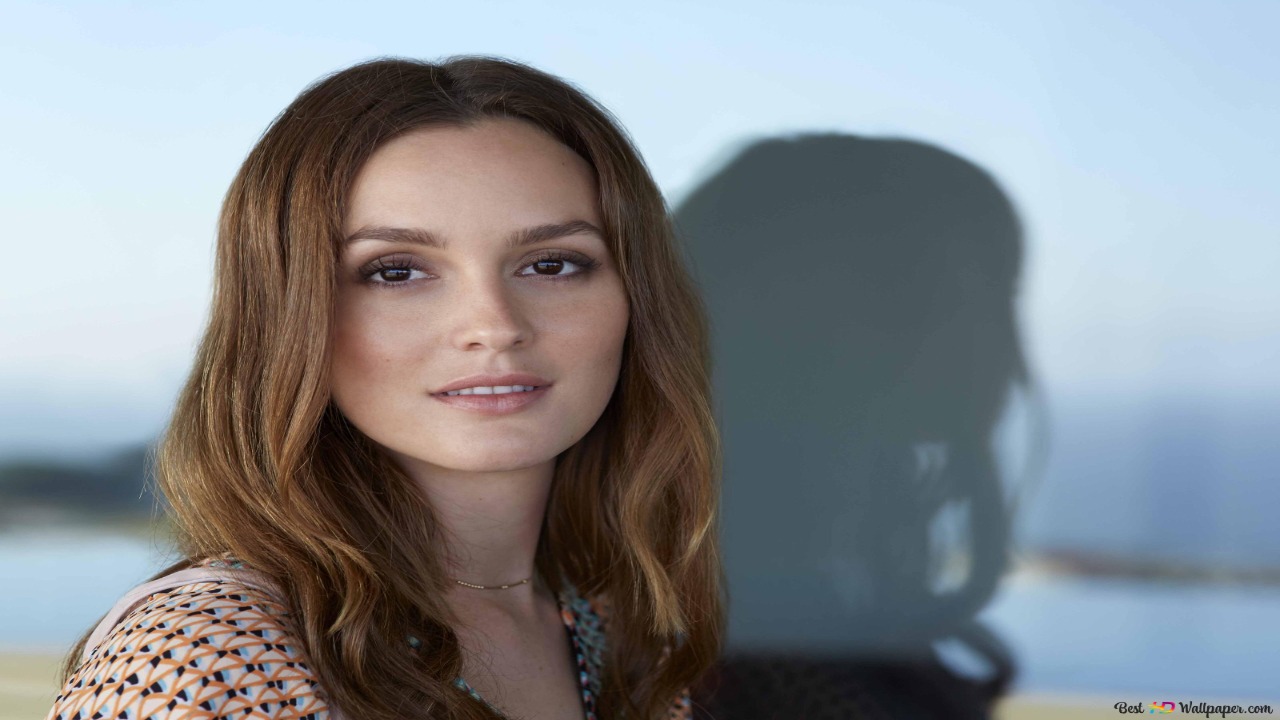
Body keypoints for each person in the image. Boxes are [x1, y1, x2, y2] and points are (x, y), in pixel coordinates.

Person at [46, 56, 724, 720]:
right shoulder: (202, 663)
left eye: (551, 264)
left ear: (635, 298)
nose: (494, 326)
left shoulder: (628, 642)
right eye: (396, 272)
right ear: (288, 318)